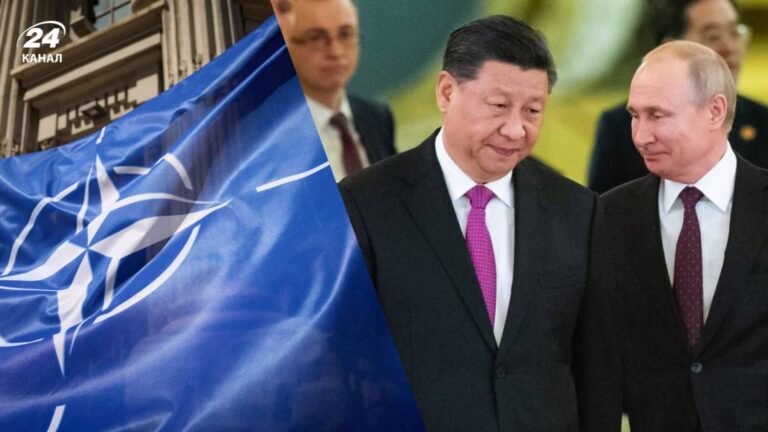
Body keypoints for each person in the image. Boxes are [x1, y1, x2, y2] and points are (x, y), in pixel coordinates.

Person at [339, 16, 595, 431]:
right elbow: (343, 354)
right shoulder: (365, 202)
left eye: (533, 111)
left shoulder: (577, 209)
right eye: (498, 106)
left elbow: (592, 363)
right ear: (446, 91)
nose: (516, 129)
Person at [578, 41, 768, 432]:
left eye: (657, 115)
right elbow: (598, 359)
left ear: (715, 111)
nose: (641, 136)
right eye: (635, 115)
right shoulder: (608, 216)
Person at [587, 0, 768, 194]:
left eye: (735, 33)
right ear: (671, 47)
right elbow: (606, 207)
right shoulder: (619, 128)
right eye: (713, 36)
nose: (729, 47)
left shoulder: (763, 122)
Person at [282, 0, 395, 181]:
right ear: (287, 44)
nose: (336, 52)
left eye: (345, 34)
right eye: (316, 38)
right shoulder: (276, 132)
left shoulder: (377, 117)